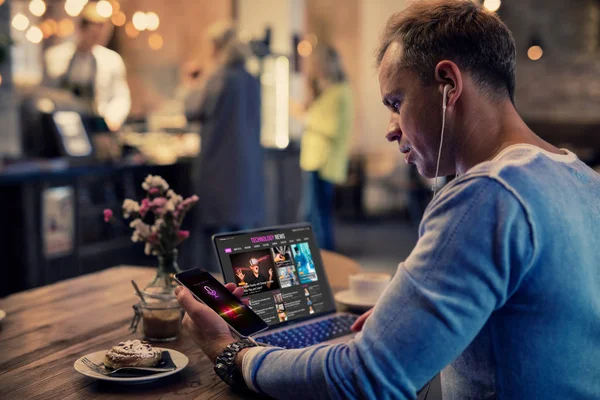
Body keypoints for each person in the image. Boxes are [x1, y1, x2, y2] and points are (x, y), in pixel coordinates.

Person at [175, 1, 600, 399]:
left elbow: (367, 377)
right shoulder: (581, 177)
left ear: (448, 84)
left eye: (396, 103)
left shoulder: (489, 194)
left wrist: (233, 352)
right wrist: (412, 315)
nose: (390, 128)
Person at [184, 21, 264, 271]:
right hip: (247, 171)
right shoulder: (252, 79)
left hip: (219, 170)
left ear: (216, 46)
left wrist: (191, 82)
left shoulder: (217, 77)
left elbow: (192, 110)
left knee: (216, 244)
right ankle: (246, 300)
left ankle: (216, 302)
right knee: (244, 245)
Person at [294, 45, 353, 251]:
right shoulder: (327, 91)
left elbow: (331, 127)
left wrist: (305, 118)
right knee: (312, 214)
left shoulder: (340, 92)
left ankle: (325, 259)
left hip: (324, 162)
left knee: (317, 215)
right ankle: (320, 258)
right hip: (314, 160)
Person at [43, 2, 130, 131]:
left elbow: (121, 96)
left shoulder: (112, 61)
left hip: (98, 125)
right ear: (81, 28)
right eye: (94, 31)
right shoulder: (55, 57)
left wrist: (112, 120)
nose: (99, 36)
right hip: (65, 124)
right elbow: (47, 93)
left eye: (103, 31)